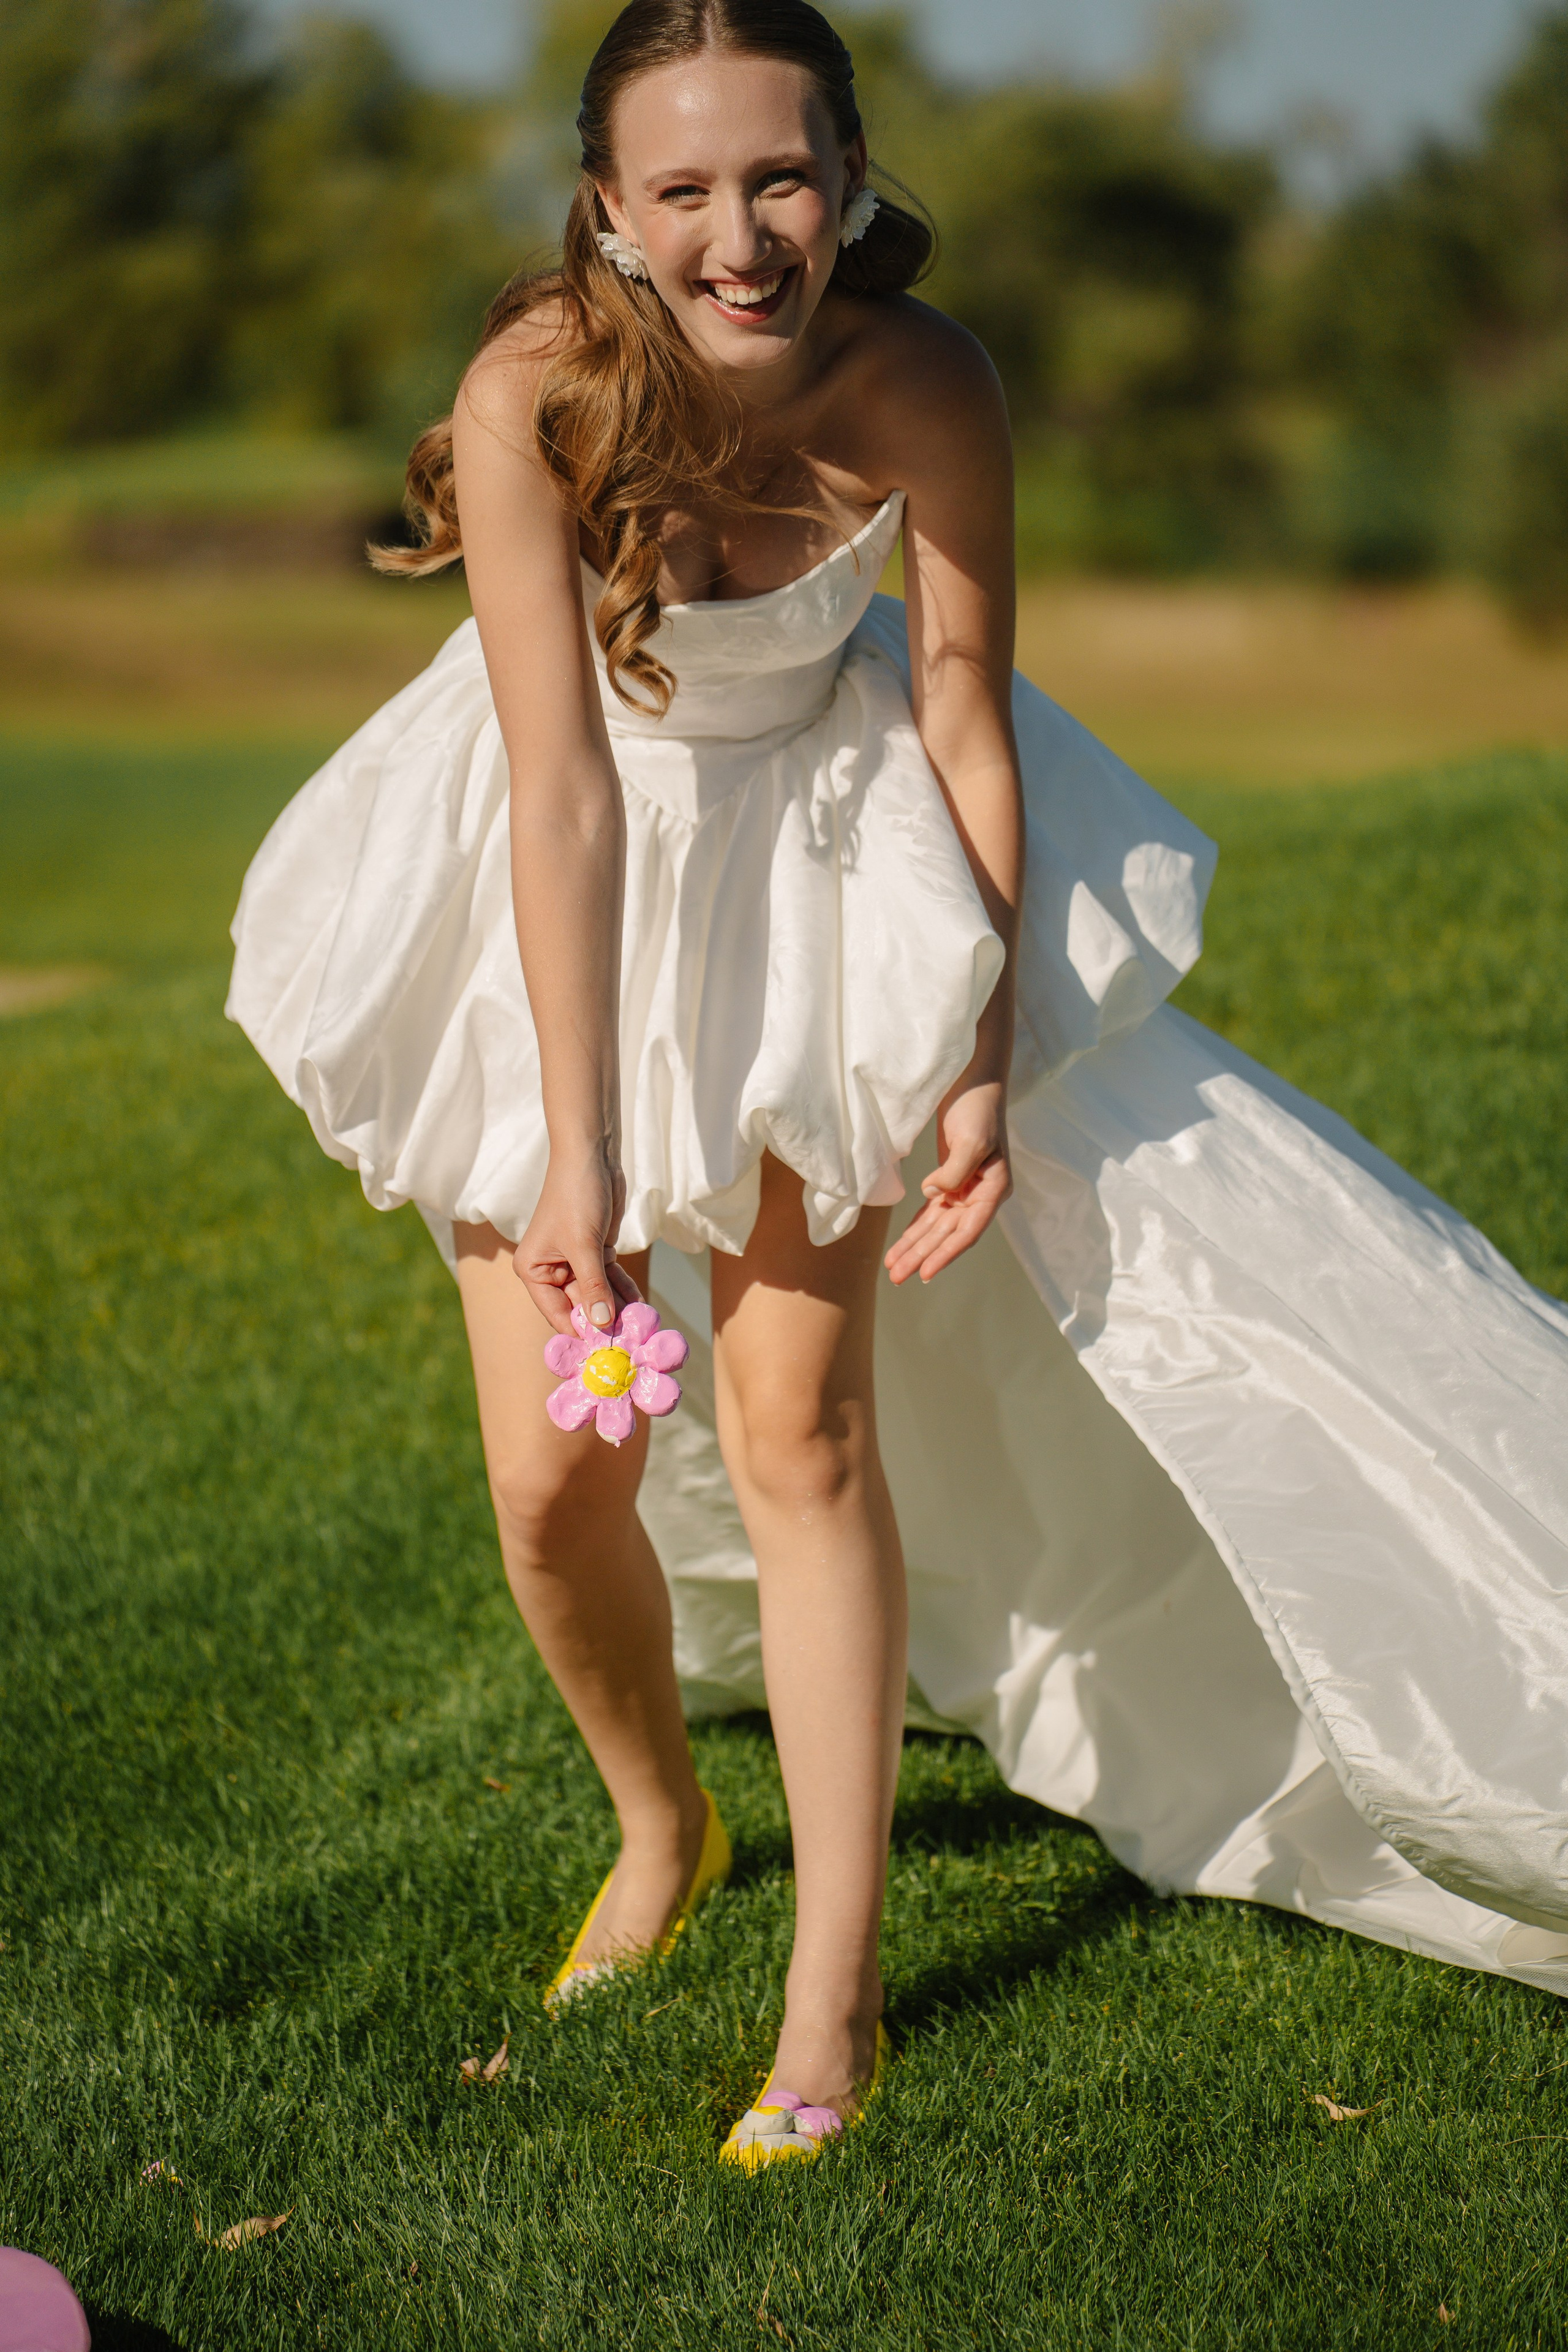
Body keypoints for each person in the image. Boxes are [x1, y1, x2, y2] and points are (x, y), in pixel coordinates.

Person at [229, 0, 1568, 2170]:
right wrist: (574, 1154)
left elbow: (961, 710)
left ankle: (828, 2000)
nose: (742, 232)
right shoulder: (534, 396)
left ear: (851, 174)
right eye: (683, 189)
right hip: (553, 884)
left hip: (822, 866)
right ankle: (664, 1827)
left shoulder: (928, 379)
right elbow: (557, 796)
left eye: (783, 176)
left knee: (800, 1426)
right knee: (549, 1479)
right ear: (607, 209)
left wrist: (974, 1049)